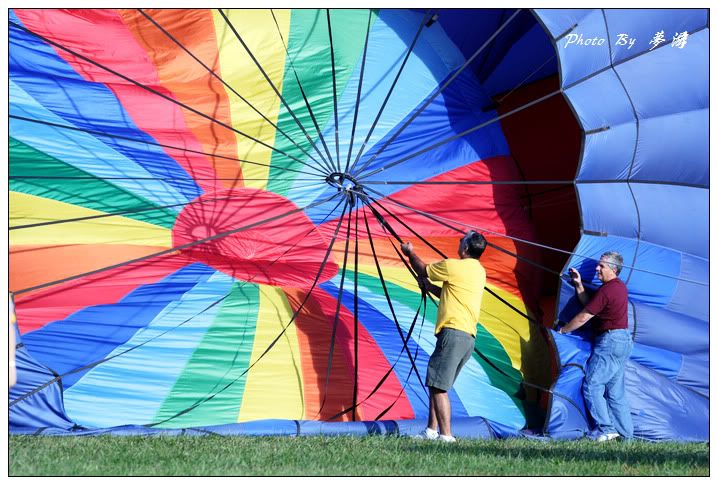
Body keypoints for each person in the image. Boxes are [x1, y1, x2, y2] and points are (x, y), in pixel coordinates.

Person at [400, 230, 487, 443]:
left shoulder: (453, 266)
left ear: (465, 248)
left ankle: (447, 436)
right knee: (437, 382)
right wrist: (429, 288)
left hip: (453, 333)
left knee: (438, 386)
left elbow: (423, 269)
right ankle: (431, 430)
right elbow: (453, 292)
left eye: (461, 240)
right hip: (467, 338)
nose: (458, 241)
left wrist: (410, 253)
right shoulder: (479, 271)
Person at [560, 251, 633, 442]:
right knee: (616, 393)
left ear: (613, 269)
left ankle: (606, 428)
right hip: (622, 340)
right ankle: (627, 437)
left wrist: (563, 331)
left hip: (609, 341)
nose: (597, 268)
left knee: (592, 385)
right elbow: (591, 306)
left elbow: (584, 316)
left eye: (601, 266)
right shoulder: (618, 288)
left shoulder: (609, 289)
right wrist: (578, 285)